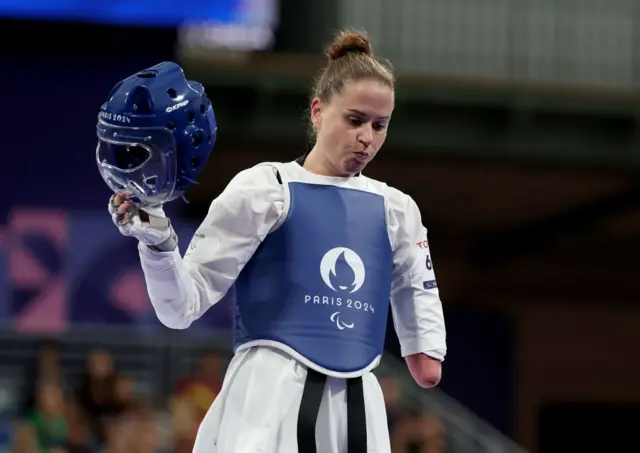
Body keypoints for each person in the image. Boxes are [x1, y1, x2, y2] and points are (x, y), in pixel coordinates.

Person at [100, 30, 446, 453]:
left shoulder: (397, 210)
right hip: (267, 395)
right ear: (318, 112)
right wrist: (159, 246)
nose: (367, 138)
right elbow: (180, 309)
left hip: (357, 407)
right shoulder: (264, 190)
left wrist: (424, 345)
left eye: (380, 125)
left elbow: (420, 302)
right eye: (354, 120)